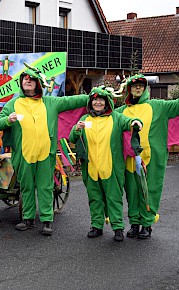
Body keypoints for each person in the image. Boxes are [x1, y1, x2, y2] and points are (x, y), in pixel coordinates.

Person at [115, 74, 179, 239]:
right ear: (129, 89)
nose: (138, 88)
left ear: (145, 88)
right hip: (130, 159)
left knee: (150, 190)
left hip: (152, 158)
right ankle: (134, 223)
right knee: (132, 191)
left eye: (141, 85)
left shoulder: (158, 106)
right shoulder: (121, 111)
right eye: (134, 86)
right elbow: (105, 119)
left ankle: (146, 224)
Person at [0, 63, 88, 236]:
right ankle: (27, 219)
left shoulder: (50, 102)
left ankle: (47, 220)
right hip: (23, 154)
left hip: (46, 154)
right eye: (25, 79)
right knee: (27, 187)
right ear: (21, 82)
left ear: (38, 83)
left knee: (45, 186)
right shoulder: (13, 103)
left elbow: (72, 100)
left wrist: (95, 97)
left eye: (31, 79)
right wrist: (8, 119)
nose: (28, 81)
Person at [69, 86, 142, 242]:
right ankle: (96, 226)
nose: (98, 102)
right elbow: (72, 138)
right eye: (95, 99)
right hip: (91, 167)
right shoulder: (85, 119)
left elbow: (128, 122)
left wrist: (136, 122)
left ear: (107, 101)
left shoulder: (116, 117)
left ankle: (118, 228)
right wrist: (76, 129)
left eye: (101, 99)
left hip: (111, 167)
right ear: (91, 102)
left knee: (114, 197)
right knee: (94, 198)